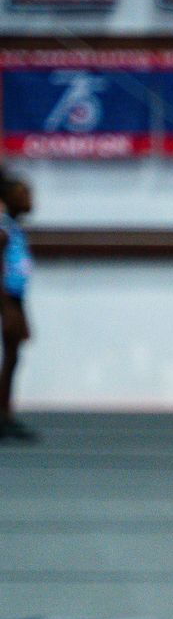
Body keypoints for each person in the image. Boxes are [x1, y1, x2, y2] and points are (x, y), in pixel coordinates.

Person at [0, 166, 34, 441]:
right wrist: (8, 309)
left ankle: (6, 413)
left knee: (13, 357)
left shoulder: (14, 227)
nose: (30, 200)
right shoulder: (2, 230)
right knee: (9, 358)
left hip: (16, 299)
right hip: (7, 301)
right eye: (23, 194)